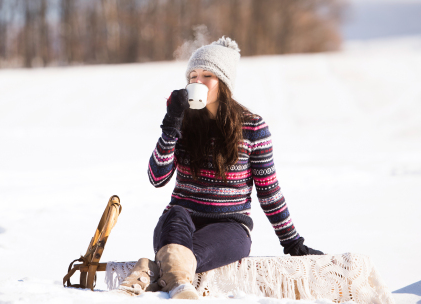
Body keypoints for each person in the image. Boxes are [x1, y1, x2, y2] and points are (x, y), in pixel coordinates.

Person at [118, 37, 323, 299]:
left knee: (193, 250)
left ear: (224, 83)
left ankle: (151, 270)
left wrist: (292, 242)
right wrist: (171, 126)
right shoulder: (182, 123)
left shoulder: (253, 128)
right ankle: (181, 286)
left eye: (206, 75)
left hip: (230, 225)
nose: (197, 82)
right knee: (177, 214)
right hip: (180, 220)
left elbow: (269, 192)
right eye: (192, 76)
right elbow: (157, 178)